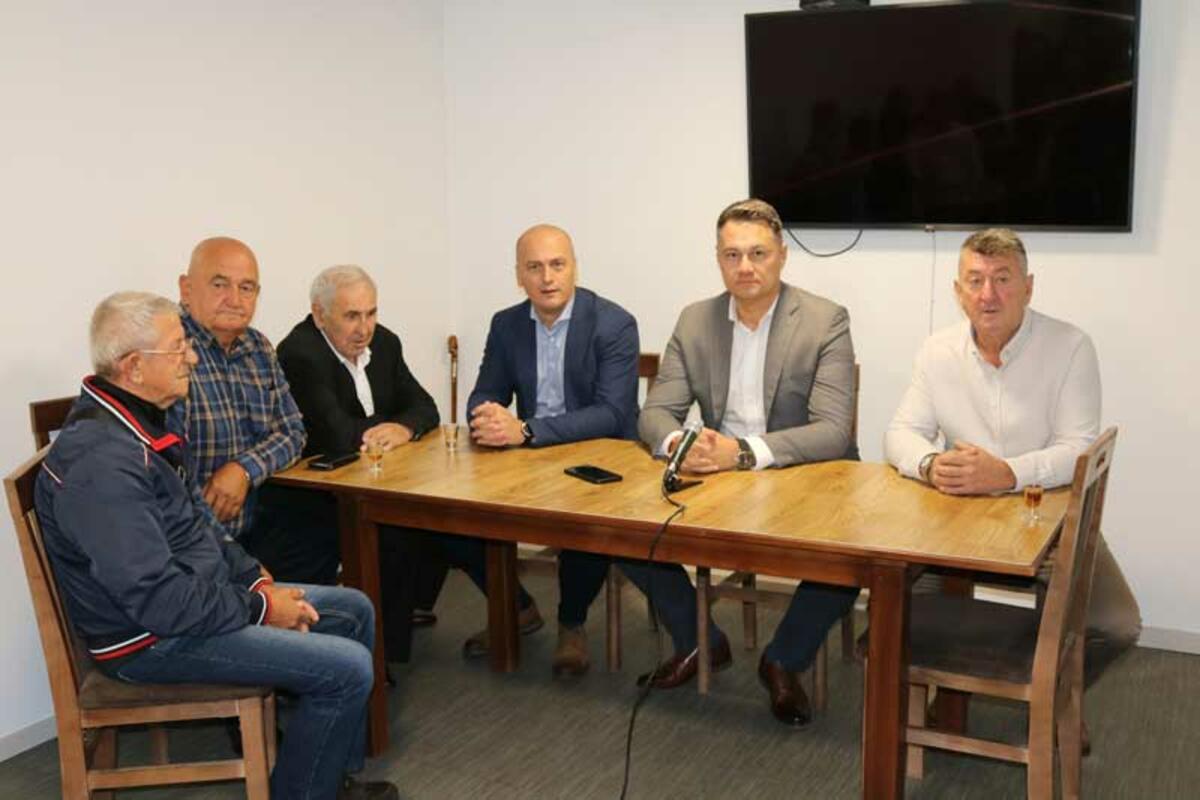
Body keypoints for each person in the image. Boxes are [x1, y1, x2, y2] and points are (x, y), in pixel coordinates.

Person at [35, 292, 396, 800]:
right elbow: (158, 601)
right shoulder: (102, 463)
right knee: (347, 669)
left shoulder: (138, 425)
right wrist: (259, 608)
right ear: (134, 367)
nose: (191, 357)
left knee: (353, 610)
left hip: (190, 601)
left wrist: (252, 577)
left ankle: (327, 778)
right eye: (178, 347)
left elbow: (196, 525)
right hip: (150, 640)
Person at [624, 198, 859, 727]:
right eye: (732, 255)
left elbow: (832, 431)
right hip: (718, 477)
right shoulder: (696, 320)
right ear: (718, 258)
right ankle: (699, 639)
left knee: (847, 560)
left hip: (806, 474)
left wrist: (744, 453)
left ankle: (784, 660)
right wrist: (682, 445)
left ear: (782, 256)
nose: (745, 267)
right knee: (622, 529)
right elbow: (655, 413)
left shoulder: (825, 320)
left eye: (758, 253)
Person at [884, 227, 1140, 691]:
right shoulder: (937, 351)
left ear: (1028, 287)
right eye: (975, 280)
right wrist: (930, 464)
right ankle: (949, 698)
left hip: (1045, 519)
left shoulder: (1070, 347)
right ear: (958, 292)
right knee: (895, 613)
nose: (989, 294)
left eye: (1002, 279)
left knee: (1117, 623)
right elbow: (900, 433)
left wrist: (1006, 473)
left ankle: (1053, 699)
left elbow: (1078, 448)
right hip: (955, 526)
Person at [451, 223, 640, 676]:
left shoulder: (613, 323)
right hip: (529, 457)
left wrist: (525, 430)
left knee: (582, 517)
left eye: (557, 265)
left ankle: (571, 624)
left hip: (598, 457)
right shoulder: (506, 324)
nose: (547, 278)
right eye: (534, 267)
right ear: (519, 275)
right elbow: (485, 391)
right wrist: (486, 414)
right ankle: (516, 608)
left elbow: (611, 414)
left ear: (575, 268)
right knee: (452, 513)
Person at [277, 265, 448, 663]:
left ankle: (395, 632)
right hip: (315, 495)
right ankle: (378, 656)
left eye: (371, 313)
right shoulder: (300, 354)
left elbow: (426, 407)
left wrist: (404, 427)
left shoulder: (385, 342)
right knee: (396, 534)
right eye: (352, 316)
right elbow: (337, 434)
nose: (365, 328)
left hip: (376, 480)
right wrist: (388, 425)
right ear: (320, 315)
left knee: (441, 516)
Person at [169, 237, 322, 583]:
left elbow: (293, 432)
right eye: (220, 284)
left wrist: (243, 470)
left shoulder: (258, 347)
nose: (235, 300)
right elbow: (168, 475)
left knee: (331, 533)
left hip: (256, 525)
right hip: (196, 543)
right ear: (186, 289)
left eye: (247, 288)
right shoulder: (169, 351)